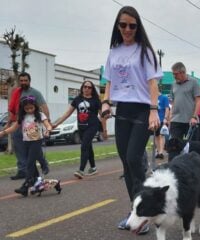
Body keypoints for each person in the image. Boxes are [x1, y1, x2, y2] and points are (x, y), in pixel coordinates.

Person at [100, 6, 162, 233]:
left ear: (138, 27)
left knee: (134, 158)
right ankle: (135, 210)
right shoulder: (113, 51)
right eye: (123, 25)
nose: (127, 29)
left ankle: (143, 214)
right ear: (118, 26)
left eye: (132, 26)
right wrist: (106, 102)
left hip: (143, 109)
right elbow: (108, 81)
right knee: (126, 163)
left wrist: (154, 110)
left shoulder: (145, 51)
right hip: (122, 109)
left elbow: (153, 83)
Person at [52, 80, 106, 179]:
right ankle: (93, 168)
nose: (87, 89)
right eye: (85, 87)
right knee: (88, 147)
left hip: (92, 126)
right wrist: (56, 124)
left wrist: (104, 130)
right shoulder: (77, 99)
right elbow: (67, 114)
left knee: (84, 146)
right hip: (81, 127)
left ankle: (81, 170)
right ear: (82, 88)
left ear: (92, 89)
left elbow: (102, 116)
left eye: (89, 87)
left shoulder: (96, 100)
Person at [0, 96, 52, 196]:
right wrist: (3, 132)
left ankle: (25, 187)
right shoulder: (22, 117)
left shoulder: (40, 115)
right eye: (26, 109)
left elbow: (47, 124)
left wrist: (48, 130)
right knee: (32, 164)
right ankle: (38, 182)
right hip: (26, 142)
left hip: (37, 141)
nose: (29, 110)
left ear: (35, 107)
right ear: (23, 108)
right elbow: (14, 127)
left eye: (31, 108)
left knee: (29, 163)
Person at [7, 72, 50, 180]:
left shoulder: (35, 93)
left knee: (35, 149)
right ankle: (22, 170)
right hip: (19, 123)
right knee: (19, 148)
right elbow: (13, 110)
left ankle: (44, 165)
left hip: (32, 125)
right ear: (18, 81)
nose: (23, 82)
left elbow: (44, 107)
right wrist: (8, 123)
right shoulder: (16, 92)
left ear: (29, 81)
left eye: (25, 80)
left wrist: (47, 123)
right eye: (21, 81)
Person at [169, 62, 200, 142]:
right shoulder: (173, 84)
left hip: (190, 121)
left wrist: (194, 117)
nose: (174, 76)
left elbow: (198, 101)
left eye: (175, 74)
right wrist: (170, 117)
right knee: (174, 148)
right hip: (175, 120)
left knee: (191, 148)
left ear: (183, 72)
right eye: (173, 74)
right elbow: (173, 101)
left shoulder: (194, 82)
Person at [153, 89, 170, 159]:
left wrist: (166, 118)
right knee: (156, 136)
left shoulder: (164, 97)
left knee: (161, 135)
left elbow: (167, 108)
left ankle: (161, 152)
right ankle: (158, 150)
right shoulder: (152, 98)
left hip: (162, 119)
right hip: (155, 119)